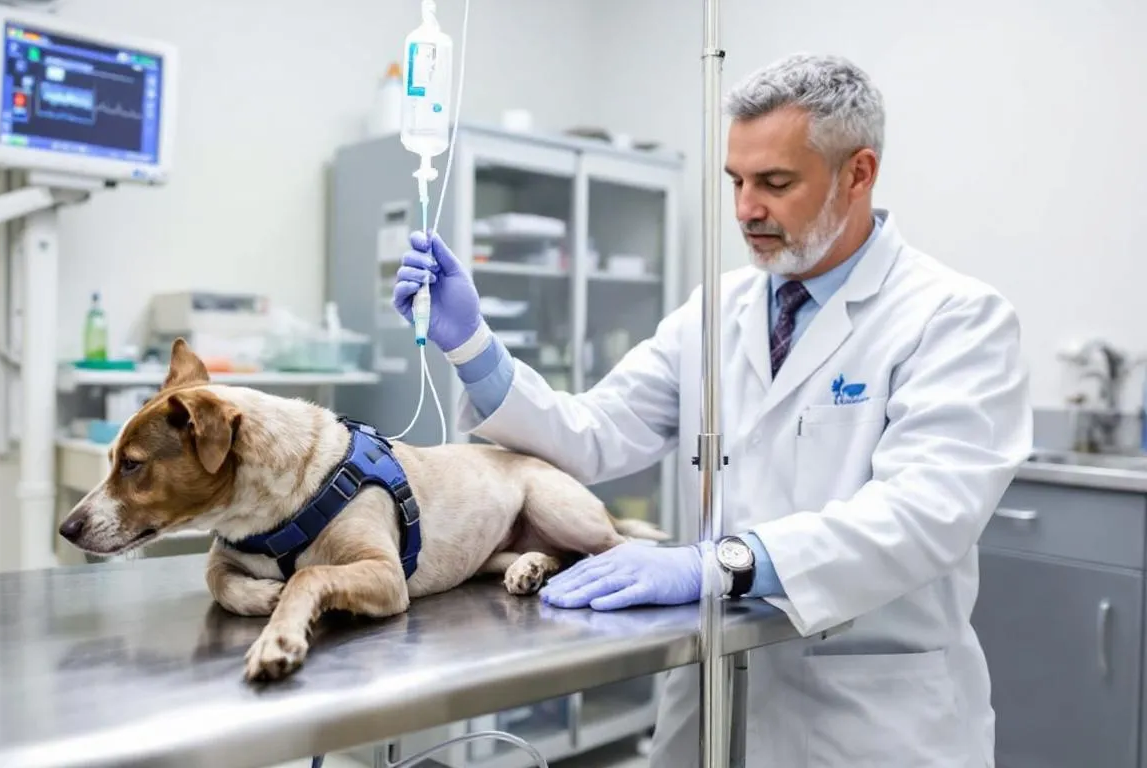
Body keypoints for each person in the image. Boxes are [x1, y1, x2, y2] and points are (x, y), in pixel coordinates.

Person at [392, 53, 1031, 768]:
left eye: (775, 183)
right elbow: (594, 435)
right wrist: (473, 346)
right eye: (736, 181)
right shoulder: (716, 310)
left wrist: (724, 562)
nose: (746, 209)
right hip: (712, 698)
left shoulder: (954, 318)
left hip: (868, 719)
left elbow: (924, 515)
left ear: (858, 174)